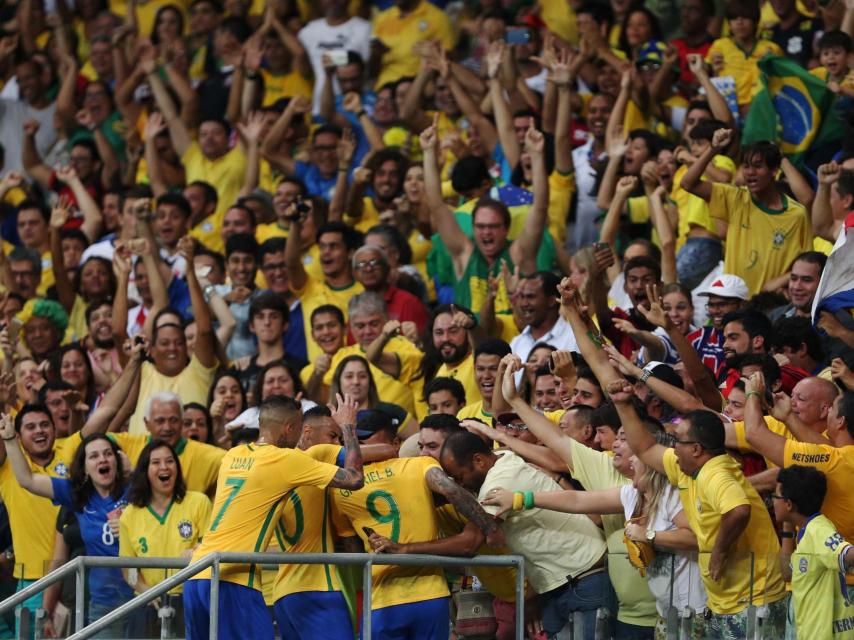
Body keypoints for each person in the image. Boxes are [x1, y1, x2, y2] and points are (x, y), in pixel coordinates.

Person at [183, 394, 365, 640]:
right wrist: (348, 427)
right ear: (289, 428)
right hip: (233, 578)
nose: (300, 437)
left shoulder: (232, 456)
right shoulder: (285, 460)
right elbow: (354, 478)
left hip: (197, 574)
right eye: (299, 429)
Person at [332, 409, 502, 640]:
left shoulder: (341, 489)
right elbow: (451, 489)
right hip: (431, 594)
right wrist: (489, 527)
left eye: (366, 439)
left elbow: (352, 549)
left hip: (383, 598)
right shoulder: (417, 466)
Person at [440, 430, 608, 639]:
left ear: (479, 460)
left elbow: (469, 543)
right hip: (561, 582)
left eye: (460, 476)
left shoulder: (497, 484)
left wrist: (404, 549)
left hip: (584, 578)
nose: (459, 485)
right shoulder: (503, 459)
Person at [0, 419, 139, 636]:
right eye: (94, 456)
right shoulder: (77, 496)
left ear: (118, 460)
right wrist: (9, 439)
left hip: (144, 598)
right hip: (103, 605)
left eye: (108, 453)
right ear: (84, 467)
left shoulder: (137, 492)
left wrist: (132, 527)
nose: (102, 459)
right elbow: (27, 480)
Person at [682, 129, 813, 296]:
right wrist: (713, 149)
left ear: (774, 171)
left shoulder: (797, 215)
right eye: (746, 166)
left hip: (771, 306)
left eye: (758, 166)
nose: (750, 172)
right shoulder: (735, 198)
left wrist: (777, 284)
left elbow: (807, 263)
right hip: (734, 303)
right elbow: (688, 184)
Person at [119, 439, 212, 637]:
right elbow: (128, 568)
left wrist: (199, 550)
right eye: (156, 462)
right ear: (145, 470)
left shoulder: (198, 502)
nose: (164, 467)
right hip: (146, 602)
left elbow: (212, 545)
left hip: (189, 599)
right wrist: (146, 592)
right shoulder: (130, 514)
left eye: (170, 461)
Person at [773, 465, 854, 640]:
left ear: (788, 504)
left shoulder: (818, 530)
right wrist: (788, 526)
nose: (772, 501)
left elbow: (848, 554)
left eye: (775, 497)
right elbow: (788, 573)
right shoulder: (807, 531)